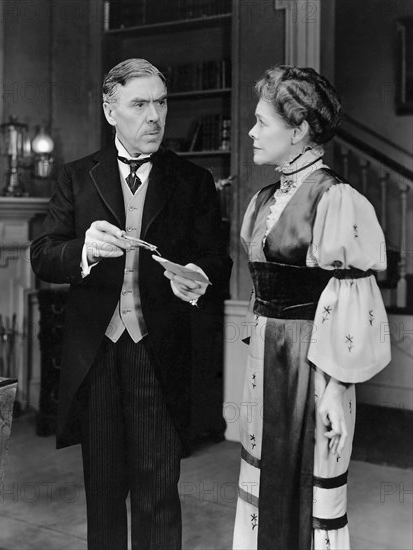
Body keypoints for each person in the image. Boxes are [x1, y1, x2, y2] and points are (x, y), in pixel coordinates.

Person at [30, 58, 231, 550]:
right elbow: (43, 255)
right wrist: (83, 250)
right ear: (110, 109)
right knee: (102, 494)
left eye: (161, 103)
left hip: (158, 353)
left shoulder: (193, 181)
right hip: (95, 355)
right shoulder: (75, 178)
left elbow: (216, 258)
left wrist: (199, 276)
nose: (155, 116)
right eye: (139, 104)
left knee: (158, 490)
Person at [232, 66, 391, 550]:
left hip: (314, 361)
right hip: (266, 354)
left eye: (263, 122)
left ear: (299, 131)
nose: (252, 132)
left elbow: (350, 300)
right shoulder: (262, 200)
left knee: (312, 472)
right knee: (266, 473)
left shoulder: (336, 199)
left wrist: (335, 388)